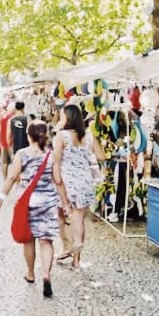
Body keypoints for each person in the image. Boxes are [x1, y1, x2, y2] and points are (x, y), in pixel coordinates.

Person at [0, 120, 69, 297]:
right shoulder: (51, 155)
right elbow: (58, 180)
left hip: (29, 202)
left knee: (29, 240)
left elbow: (12, 177)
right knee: (46, 241)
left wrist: (0, 199)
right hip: (48, 202)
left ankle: (30, 273)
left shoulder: (22, 154)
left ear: (28, 136)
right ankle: (46, 275)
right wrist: (65, 203)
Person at [53, 105, 105, 269]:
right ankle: (76, 257)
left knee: (60, 215)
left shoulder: (61, 136)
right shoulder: (89, 135)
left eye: (61, 116)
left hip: (67, 182)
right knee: (79, 219)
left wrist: (57, 180)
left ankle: (67, 247)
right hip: (84, 182)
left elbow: (55, 161)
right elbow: (101, 156)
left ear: (67, 118)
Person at [0, 101, 14, 179]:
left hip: (4, 142)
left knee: (4, 163)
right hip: (11, 143)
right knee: (15, 162)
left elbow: (0, 130)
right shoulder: (13, 118)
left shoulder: (3, 117)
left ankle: (5, 179)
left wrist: (0, 141)